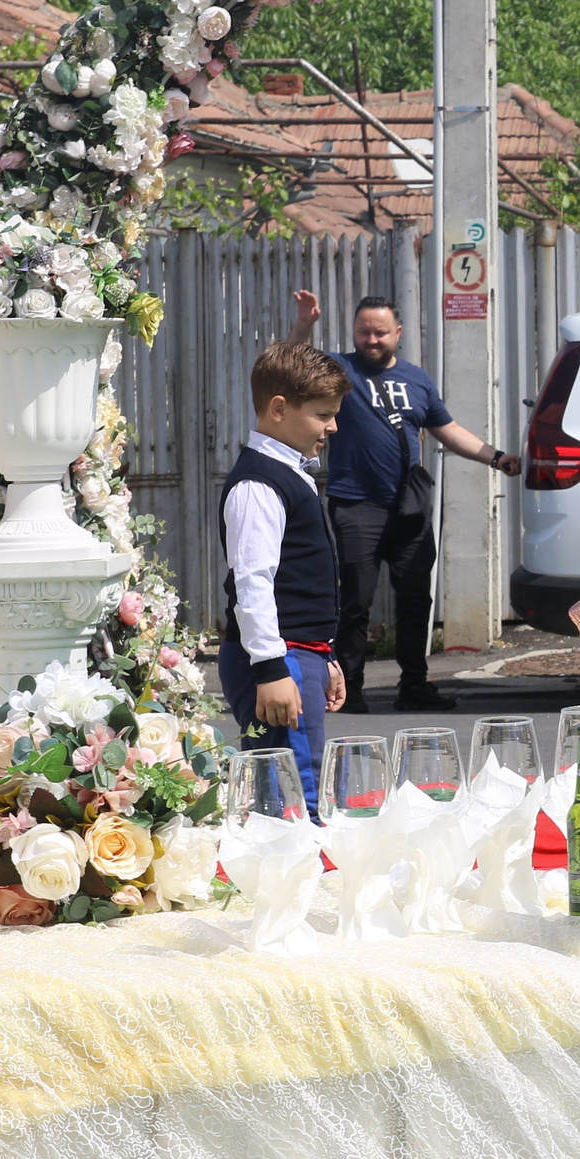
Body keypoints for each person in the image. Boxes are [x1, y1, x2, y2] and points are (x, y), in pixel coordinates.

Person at [287, 290, 519, 713]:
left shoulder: (417, 380)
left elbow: (448, 430)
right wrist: (305, 323)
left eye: (380, 333)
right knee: (356, 600)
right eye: (364, 332)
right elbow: (293, 365)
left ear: (398, 332)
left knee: (415, 600)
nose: (371, 340)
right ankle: (350, 689)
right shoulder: (341, 370)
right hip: (356, 505)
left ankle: (414, 686)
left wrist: (496, 457)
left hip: (410, 509)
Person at [219, 342, 349, 812]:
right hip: (279, 658)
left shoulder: (289, 472)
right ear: (279, 409)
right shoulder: (259, 483)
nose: (332, 427)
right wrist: (273, 669)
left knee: (301, 779)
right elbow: (253, 581)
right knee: (294, 795)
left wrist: (323, 654)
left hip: (298, 652)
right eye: (322, 415)